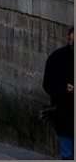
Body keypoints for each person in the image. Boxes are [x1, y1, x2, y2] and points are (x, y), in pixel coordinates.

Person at [44, 26, 74, 159]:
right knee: (68, 154)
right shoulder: (57, 58)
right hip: (65, 112)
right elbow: (47, 85)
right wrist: (63, 88)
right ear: (69, 38)